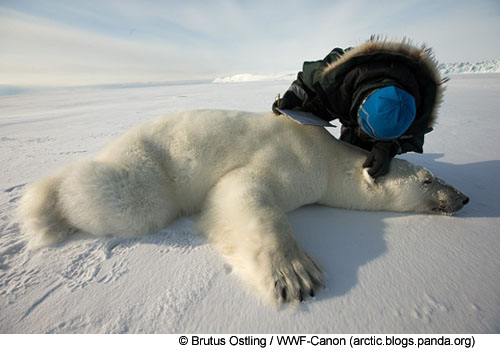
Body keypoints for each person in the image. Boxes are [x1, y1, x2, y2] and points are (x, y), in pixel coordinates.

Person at [272, 36, 446, 177]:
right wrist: (291, 98)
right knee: (299, 121)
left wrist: (388, 147)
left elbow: (412, 137)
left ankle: (370, 140)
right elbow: (306, 82)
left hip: (353, 102)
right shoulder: (334, 73)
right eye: (365, 128)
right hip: (337, 96)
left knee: (358, 159)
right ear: (360, 108)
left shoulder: (422, 111)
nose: (363, 133)